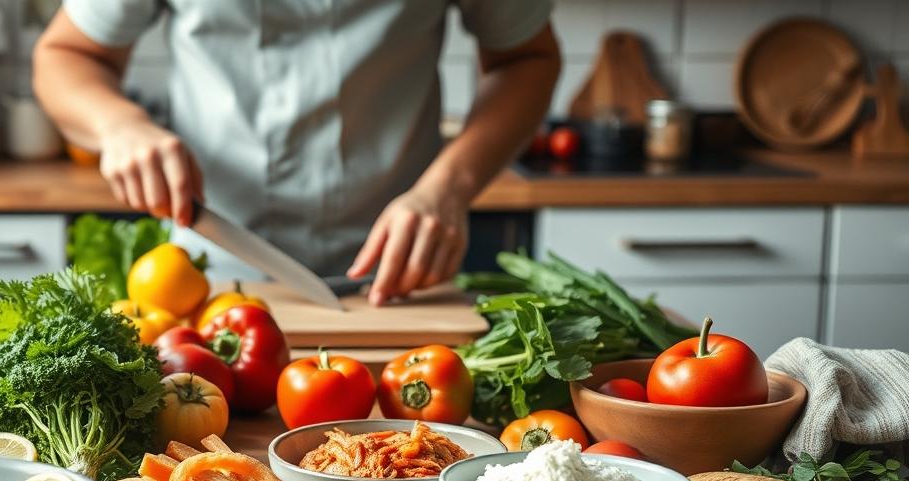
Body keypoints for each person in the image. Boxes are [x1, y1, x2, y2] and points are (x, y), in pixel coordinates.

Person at [33, 2, 560, 305]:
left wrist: (448, 188)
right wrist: (119, 125)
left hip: (404, 272)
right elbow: (65, 54)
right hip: (210, 271)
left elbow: (528, 59)